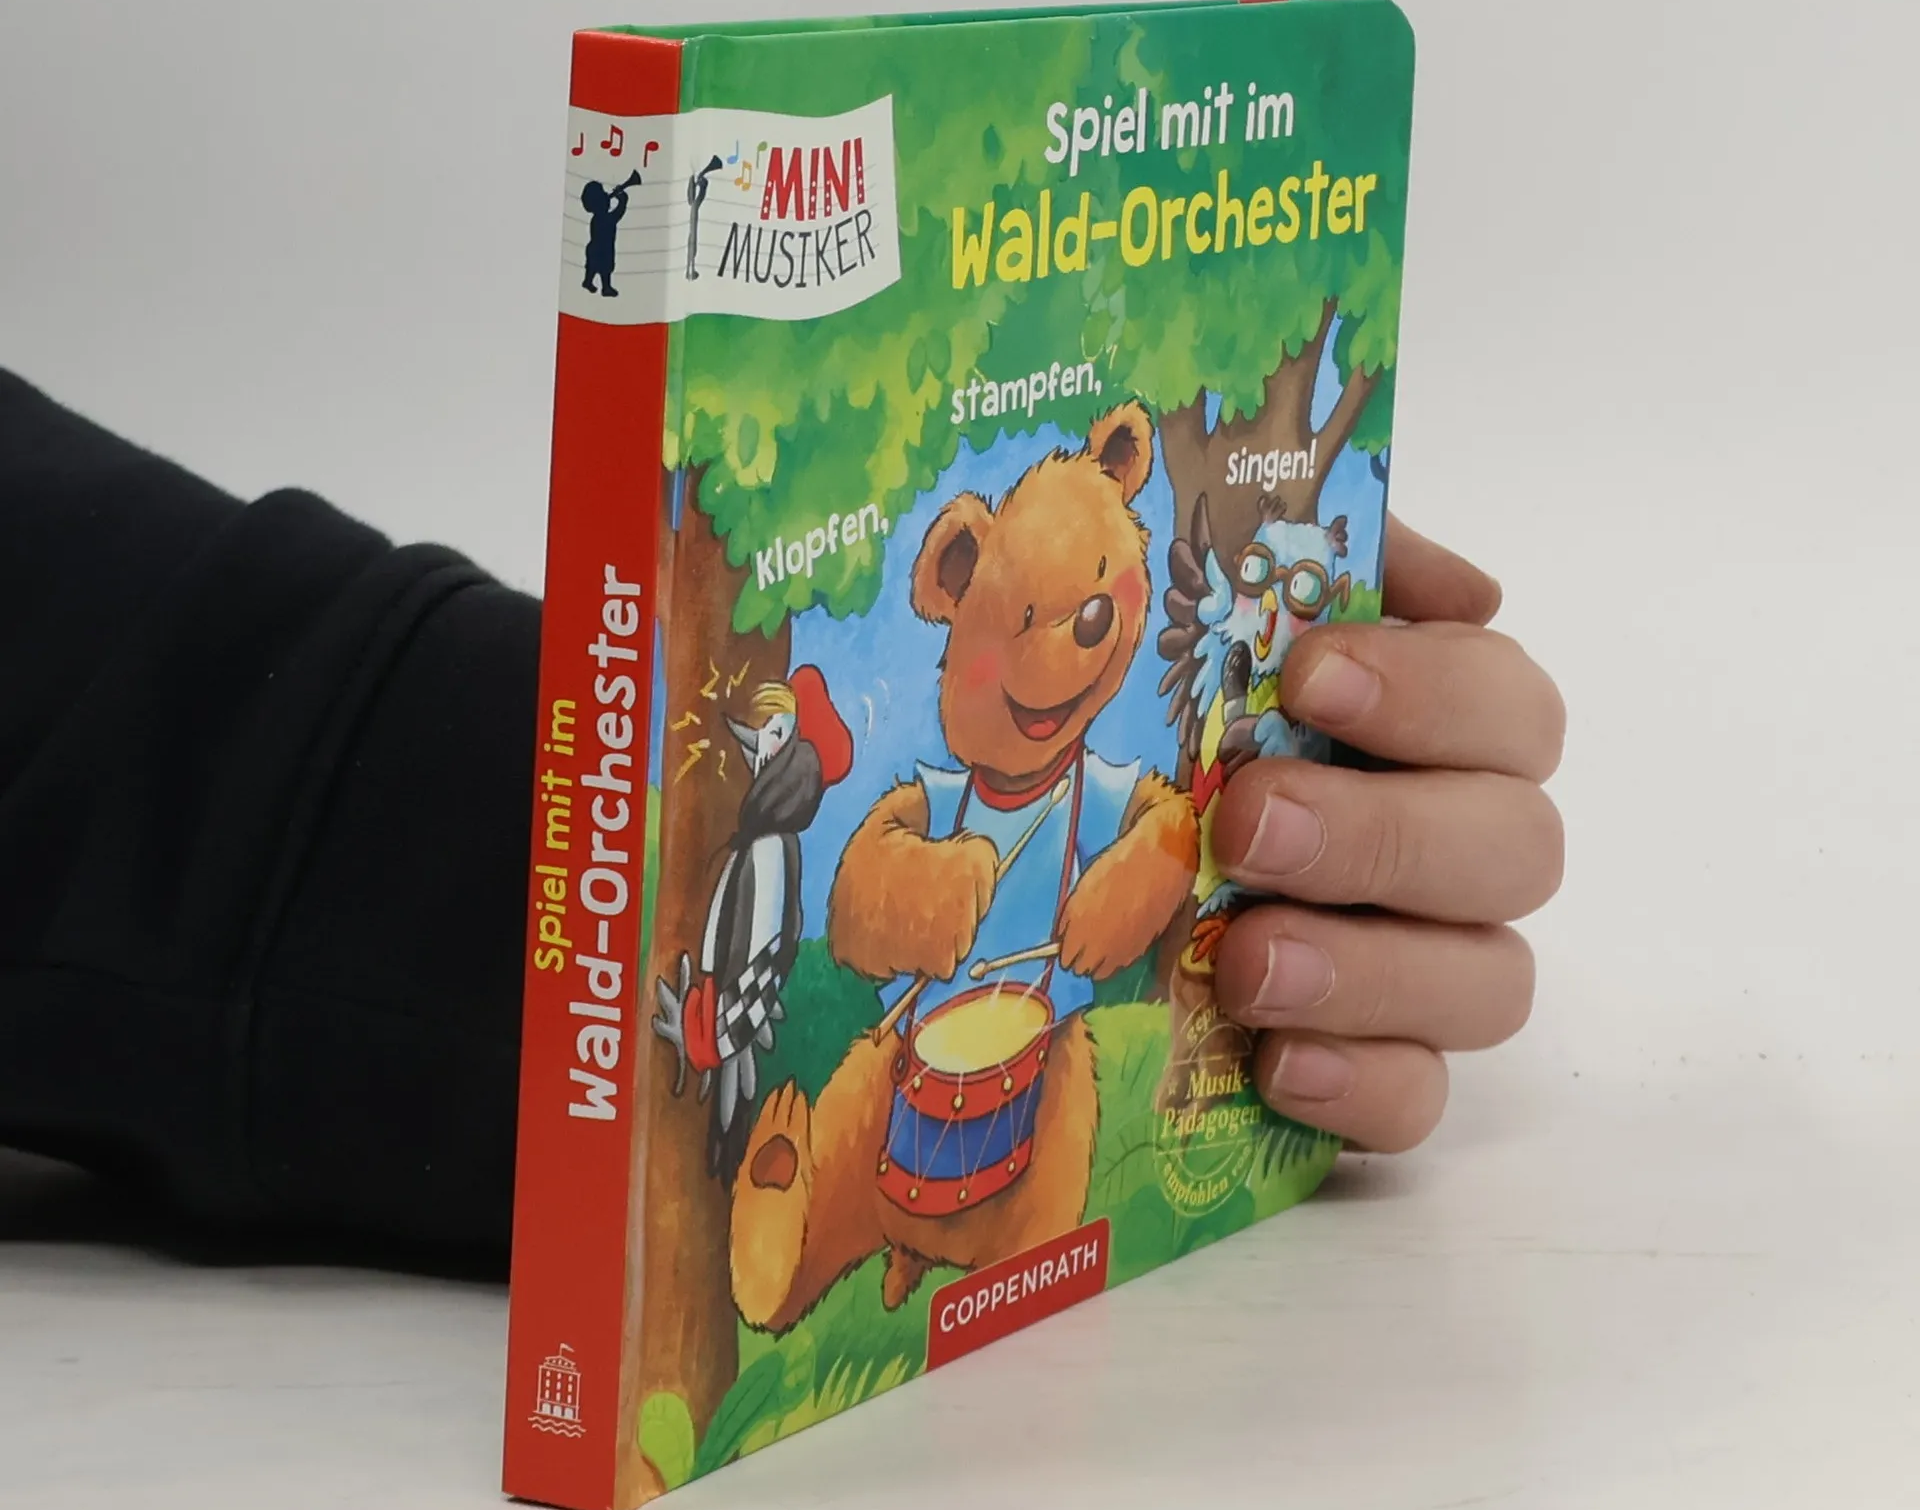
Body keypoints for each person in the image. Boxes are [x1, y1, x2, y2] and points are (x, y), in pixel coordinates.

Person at [0, 367, 1564, 1260]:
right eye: (1030, 618)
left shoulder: (1108, 783)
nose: (1077, 647)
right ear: (951, 585)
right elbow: (868, 892)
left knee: (1076, 1105)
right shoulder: (926, 793)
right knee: (859, 1109)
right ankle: (787, 1228)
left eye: (1100, 611)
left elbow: (1146, 843)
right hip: (909, 1052)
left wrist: (1220, 835)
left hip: (1037, 1053)